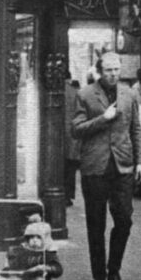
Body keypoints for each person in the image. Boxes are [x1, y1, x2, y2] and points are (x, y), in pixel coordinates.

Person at [72, 51, 141, 280]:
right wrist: (103, 119)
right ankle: (99, 277)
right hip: (95, 167)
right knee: (96, 223)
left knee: (124, 219)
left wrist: (140, 162)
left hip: (123, 166)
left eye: (117, 70)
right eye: (109, 70)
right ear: (99, 71)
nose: (113, 74)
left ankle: (114, 271)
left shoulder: (130, 94)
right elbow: (76, 129)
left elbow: (136, 129)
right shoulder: (85, 94)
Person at [1, 213, 63, 280]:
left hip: (37, 279)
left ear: (45, 239)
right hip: (22, 278)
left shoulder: (48, 253)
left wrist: (47, 268)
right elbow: (12, 262)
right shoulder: (22, 250)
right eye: (31, 237)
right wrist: (8, 266)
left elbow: (58, 269)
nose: (34, 240)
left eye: (38, 237)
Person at [64, 74, 81, 206]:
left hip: (57, 138)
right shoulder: (76, 93)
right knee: (71, 168)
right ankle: (68, 196)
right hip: (73, 137)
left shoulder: (54, 90)